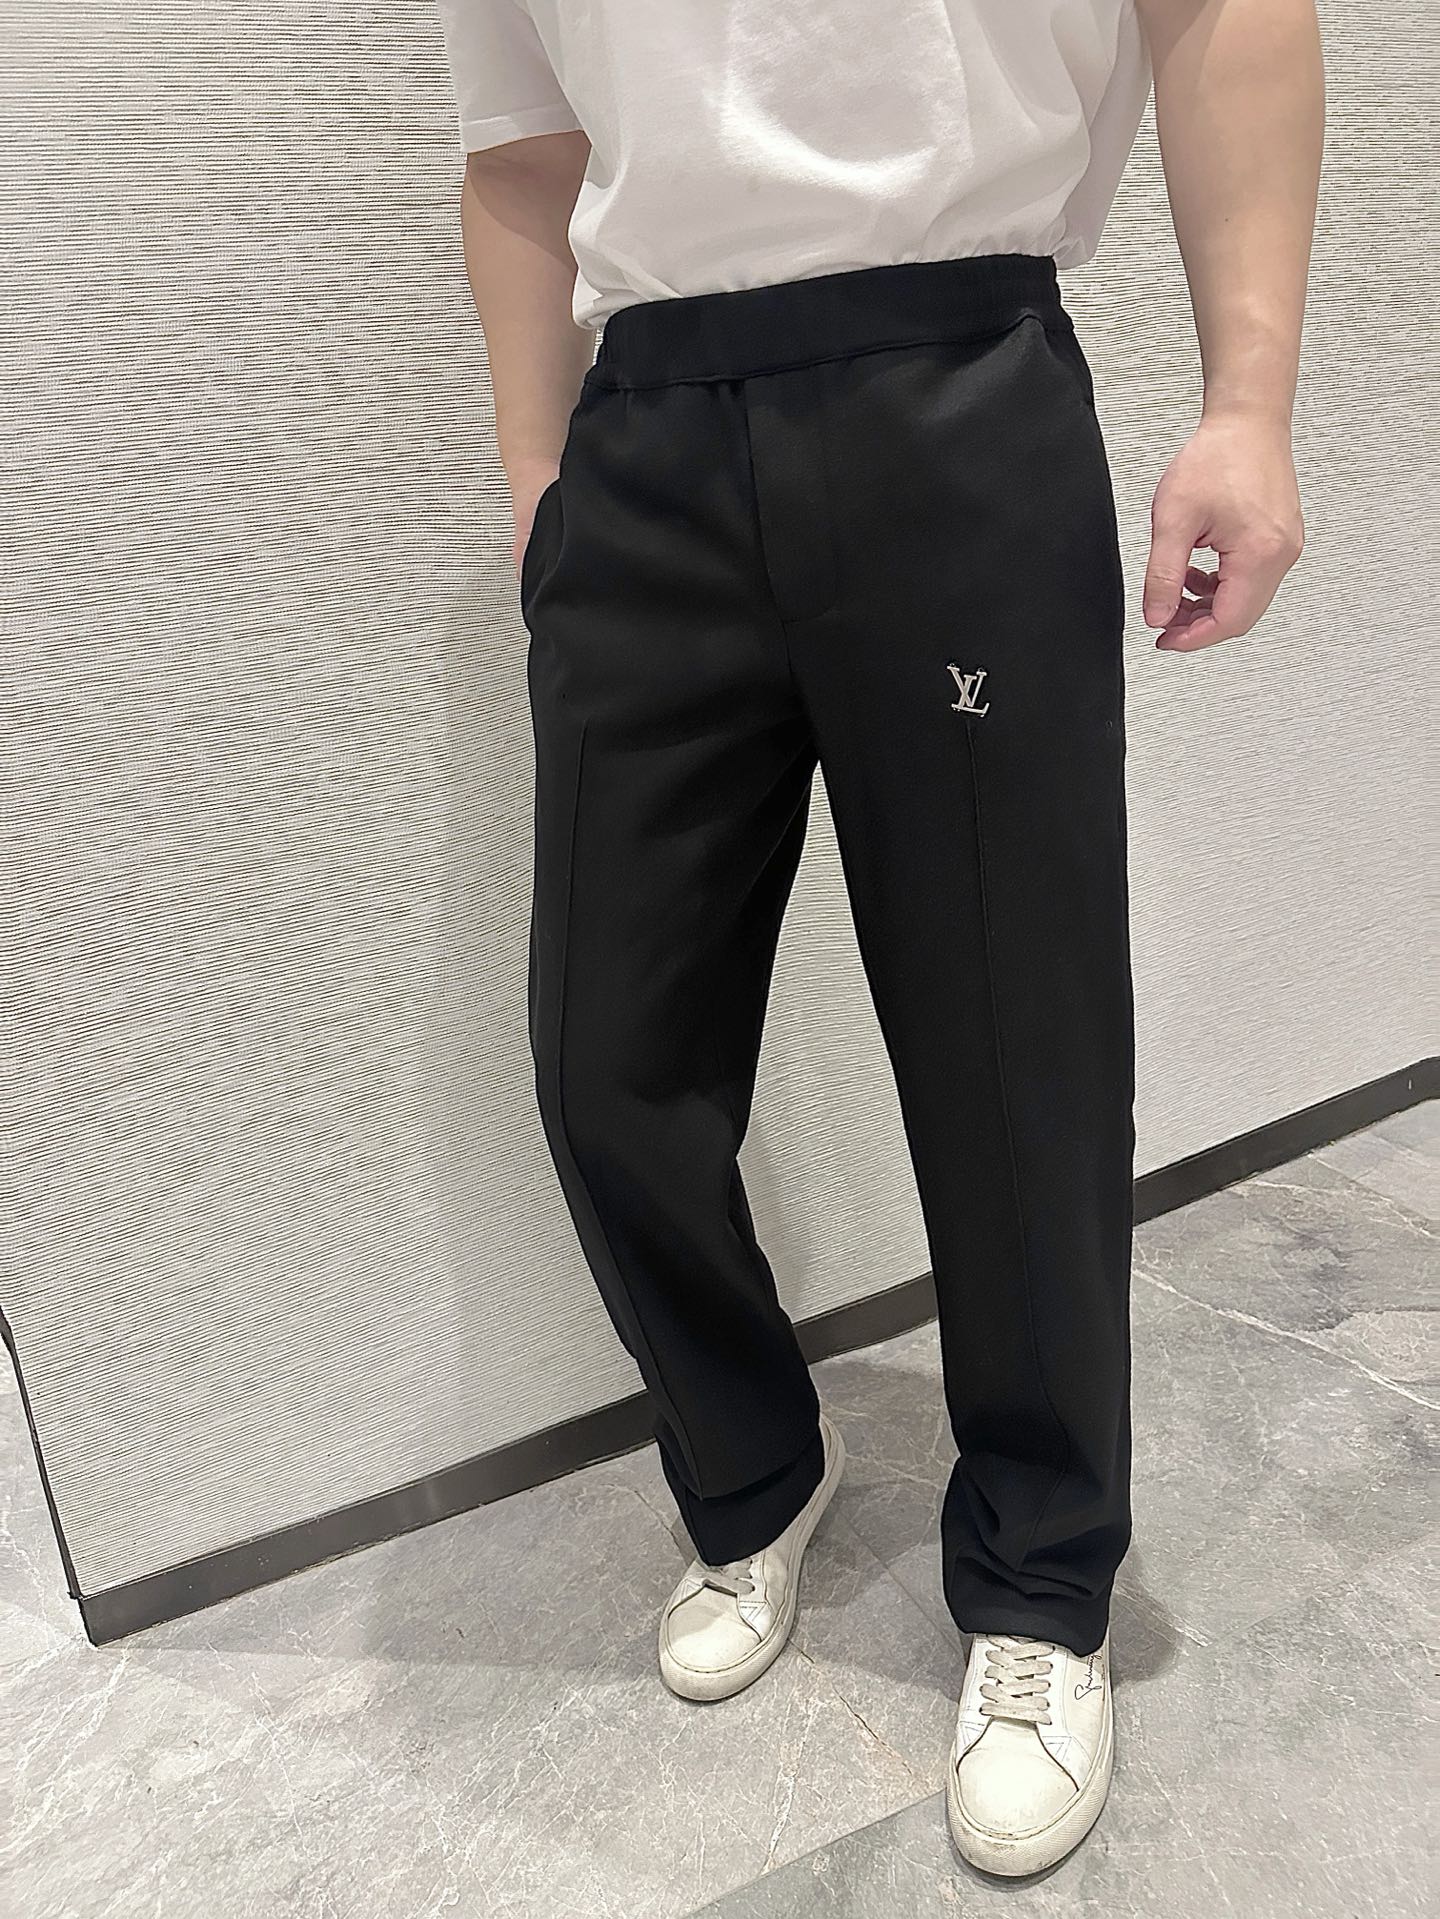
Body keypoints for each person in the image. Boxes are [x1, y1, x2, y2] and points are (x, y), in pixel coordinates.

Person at [436, 0, 1321, 1878]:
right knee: (609, 1061)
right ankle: (752, 1463)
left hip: (958, 384)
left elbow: (1223, 12)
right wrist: (536, 474)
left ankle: (1041, 1574)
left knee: (1013, 1051)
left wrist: (1249, 403)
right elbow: (518, 149)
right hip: (643, 442)